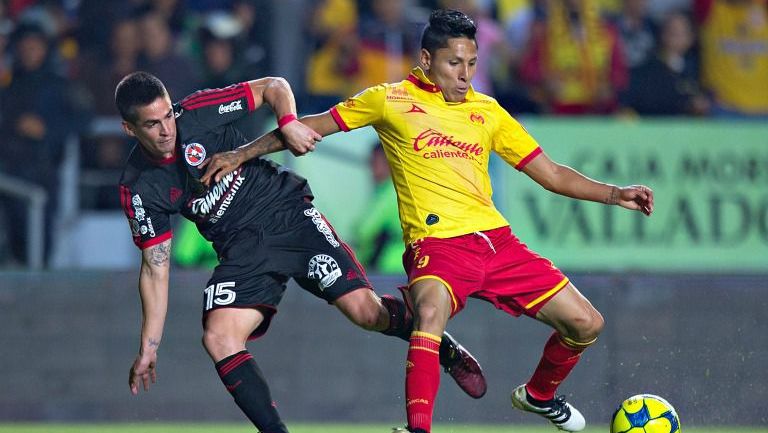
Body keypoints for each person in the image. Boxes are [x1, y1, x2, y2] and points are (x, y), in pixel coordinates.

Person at [200, 9, 655, 433]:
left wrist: (615, 193)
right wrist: (241, 154)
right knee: (430, 315)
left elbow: (552, 174)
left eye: (473, 63)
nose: (465, 74)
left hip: (497, 244)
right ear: (426, 59)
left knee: (587, 324)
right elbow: (309, 126)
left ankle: (538, 395)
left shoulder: (488, 112)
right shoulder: (389, 101)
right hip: (437, 246)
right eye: (455, 62)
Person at [114, 71, 485, 433]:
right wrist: (150, 345)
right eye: (152, 124)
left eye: (167, 116)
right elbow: (155, 268)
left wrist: (288, 121)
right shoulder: (139, 187)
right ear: (130, 129)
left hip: (288, 215)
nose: (167, 130)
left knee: (366, 313)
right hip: (243, 252)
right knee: (218, 337)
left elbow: (273, 87)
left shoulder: (196, 112)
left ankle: (441, 346)